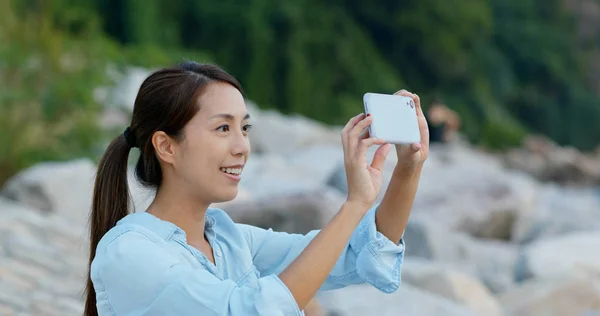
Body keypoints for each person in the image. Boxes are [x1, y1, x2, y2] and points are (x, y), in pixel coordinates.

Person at [84, 61, 429, 316]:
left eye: (245, 129)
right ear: (166, 146)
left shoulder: (230, 240)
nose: (242, 147)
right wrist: (353, 205)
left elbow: (356, 255)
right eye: (223, 128)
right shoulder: (129, 252)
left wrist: (407, 172)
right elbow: (247, 311)